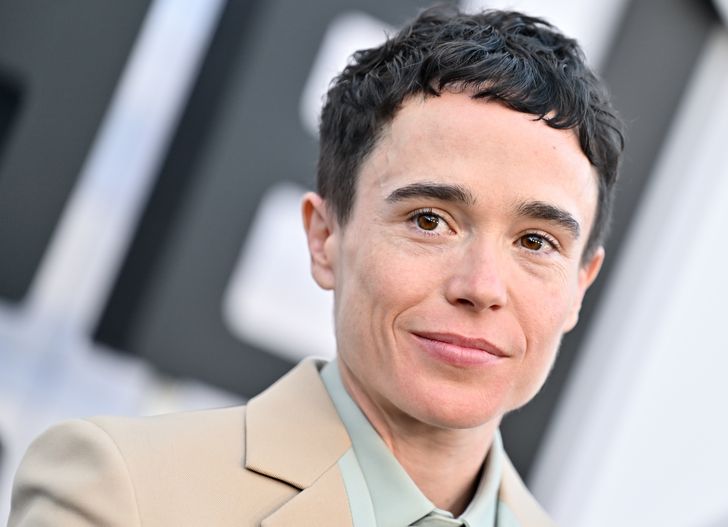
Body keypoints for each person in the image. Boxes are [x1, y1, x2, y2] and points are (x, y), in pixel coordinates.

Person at [8, 5, 623, 526]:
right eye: (429, 221)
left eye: (536, 241)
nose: (481, 287)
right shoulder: (124, 496)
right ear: (324, 237)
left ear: (580, 287)